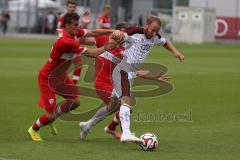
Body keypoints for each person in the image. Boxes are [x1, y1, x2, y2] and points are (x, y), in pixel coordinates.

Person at [81, 16, 184, 143]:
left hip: (129, 73)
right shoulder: (134, 32)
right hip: (122, 71)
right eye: (152, 30)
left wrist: (176, 52)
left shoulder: (155, 37)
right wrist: (115, 36)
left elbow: (165, 42)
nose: (154, 33)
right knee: (126, 102)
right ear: (146, 25)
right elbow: (117, 35)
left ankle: (88, 125)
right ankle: (126, 133)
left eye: (156, 31)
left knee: (111, 107)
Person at [27, 12, 122, 142]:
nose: (78, 27)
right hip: (48, 78)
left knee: (75, 102)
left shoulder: (73, 33)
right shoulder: (66, 41)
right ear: (67, 25)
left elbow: (93, 33)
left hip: (60, 76)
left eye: (78, 25)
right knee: (49, 115)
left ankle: (51, 118)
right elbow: (92, 53)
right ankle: (33, 129)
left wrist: (113, 31)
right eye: (75, 25)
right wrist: (108, 46)